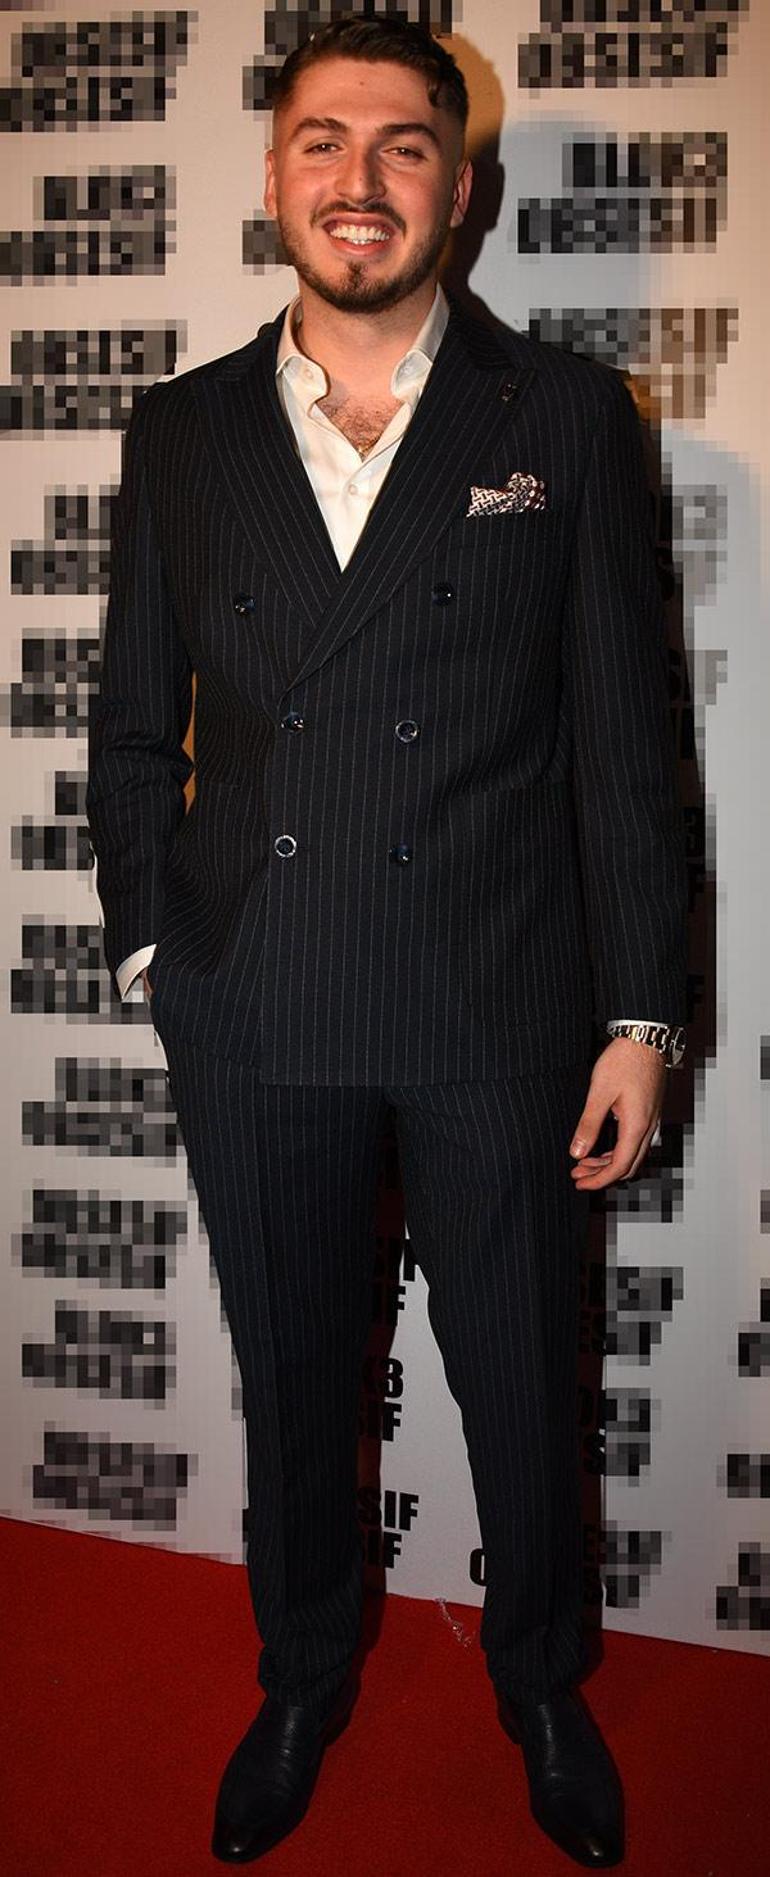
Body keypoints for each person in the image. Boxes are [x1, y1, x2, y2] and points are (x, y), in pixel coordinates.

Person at [87, 17, 688, 1868]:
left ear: (460, 186)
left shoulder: (561, 418)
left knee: (519, 1377)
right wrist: (154, 954)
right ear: (275, 177)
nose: (360, 179)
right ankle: (302, 1671)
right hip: (259, 995)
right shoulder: (182, 429)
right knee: (292, 1375)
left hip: (496, 995)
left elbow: (626, 744)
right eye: (323, 141)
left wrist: (640, 1012)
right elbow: (130, 728)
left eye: (403, 145)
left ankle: (539, 1681)